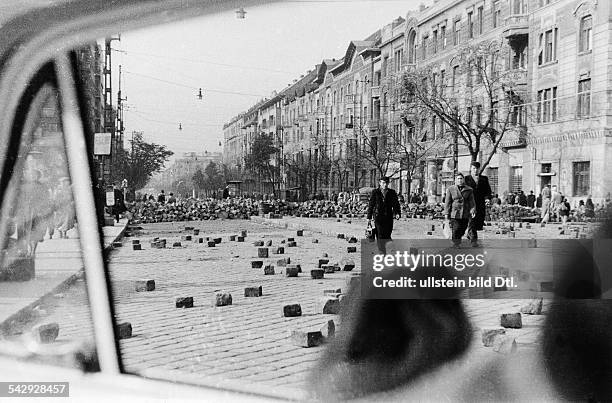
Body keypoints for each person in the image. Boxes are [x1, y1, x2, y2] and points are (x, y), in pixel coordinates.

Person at [367, 176, 401, 254]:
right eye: (383, 183)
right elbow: (371, 204)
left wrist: (397, 213)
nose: (385, 184)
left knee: (387, 234)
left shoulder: (392, 192)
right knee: (380, 234)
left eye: (386, 183)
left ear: (388, 183)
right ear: (380, 183)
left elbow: (396, 204)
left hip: (388, 217)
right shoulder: (375, 192)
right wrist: (369, 217)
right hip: (378, 217)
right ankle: (382, 252)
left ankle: (387, 249)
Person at [444, 172, 476, 247]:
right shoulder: (451, 189)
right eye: (458, 179)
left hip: (465, 212)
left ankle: (457, 240)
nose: (459, 180)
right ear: (455, 180)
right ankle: (456, 243)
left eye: (461, 178)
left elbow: (472, 202)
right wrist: (446, 213)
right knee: (456, 228)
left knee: (463, 228)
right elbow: (447, 202)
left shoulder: (469, 190)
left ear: (463, 180)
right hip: (454, 213)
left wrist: (473, 210)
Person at [464, 162, 491, 247]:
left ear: (479, 169)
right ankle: (473, 240)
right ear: (471, 169)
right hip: (470, 204)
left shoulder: (484, 179)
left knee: (478, 222)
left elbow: (488, 190)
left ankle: (469, 233)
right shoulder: (466, 179)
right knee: (472, 220)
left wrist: (487, 198)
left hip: (480, 204)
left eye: (477, 169)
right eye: (473, 169)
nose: (475, 170)